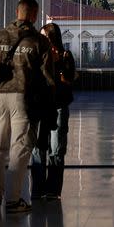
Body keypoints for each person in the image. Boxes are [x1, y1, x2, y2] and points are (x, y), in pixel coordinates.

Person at [0, 0, 56, 214]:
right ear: (34, 15)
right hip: (24, 98)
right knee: (20, 148)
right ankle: (13, 200)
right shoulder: (39, 42)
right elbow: (48, 77)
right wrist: (48, 102)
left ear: (17, 11)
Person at [31, 23, 76, 200]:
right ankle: (38, 188)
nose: (43, 40)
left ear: (53, 38)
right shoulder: (37, 56)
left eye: (46, 37)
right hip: (41, 106)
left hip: (59, 106)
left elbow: (69, 80)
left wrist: (58, 63)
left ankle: (53, 189)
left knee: (56, 149)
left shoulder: (66, 56)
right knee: (38, 149)